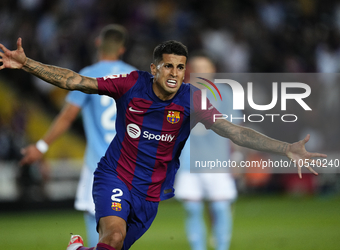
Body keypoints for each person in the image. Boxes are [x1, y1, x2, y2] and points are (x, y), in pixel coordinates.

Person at [0, 39, 326, 250]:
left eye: (180, 67)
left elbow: (233, 131)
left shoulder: (191, 99)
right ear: (155, 68)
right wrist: (27, 64)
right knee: (112, 236)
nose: (174, 72)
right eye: (168, 65)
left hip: (150, 193)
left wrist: (285, 148)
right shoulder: (131, 85)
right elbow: (76, 81)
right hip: (114, 176)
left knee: (111, 247)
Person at [18, 24, 136, 246]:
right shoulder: (135, 76)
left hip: (98, 165)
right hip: (129, 166)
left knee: (98, 221)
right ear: (122, 49)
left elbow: (67, 116)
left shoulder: (89, 75)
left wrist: (41, 146)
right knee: (119, 230)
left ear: (98, 43)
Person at [174, 52, 238, 250]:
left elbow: (234, 131)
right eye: (197, 68)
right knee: (192, 209)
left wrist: (236, 158)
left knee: (220, 207)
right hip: (188, 164)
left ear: (213, 71)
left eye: (205, 68)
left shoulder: (225, 94)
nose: (202, 72)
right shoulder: (178, 95)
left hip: (217, 162)